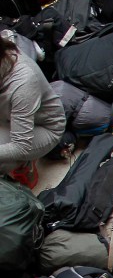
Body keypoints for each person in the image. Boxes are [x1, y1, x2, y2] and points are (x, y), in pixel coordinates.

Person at [0, 32, 66, 185]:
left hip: (42, 128)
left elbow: (21, 147)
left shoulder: (23, 82)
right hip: (7, 116)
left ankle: (24, 166)